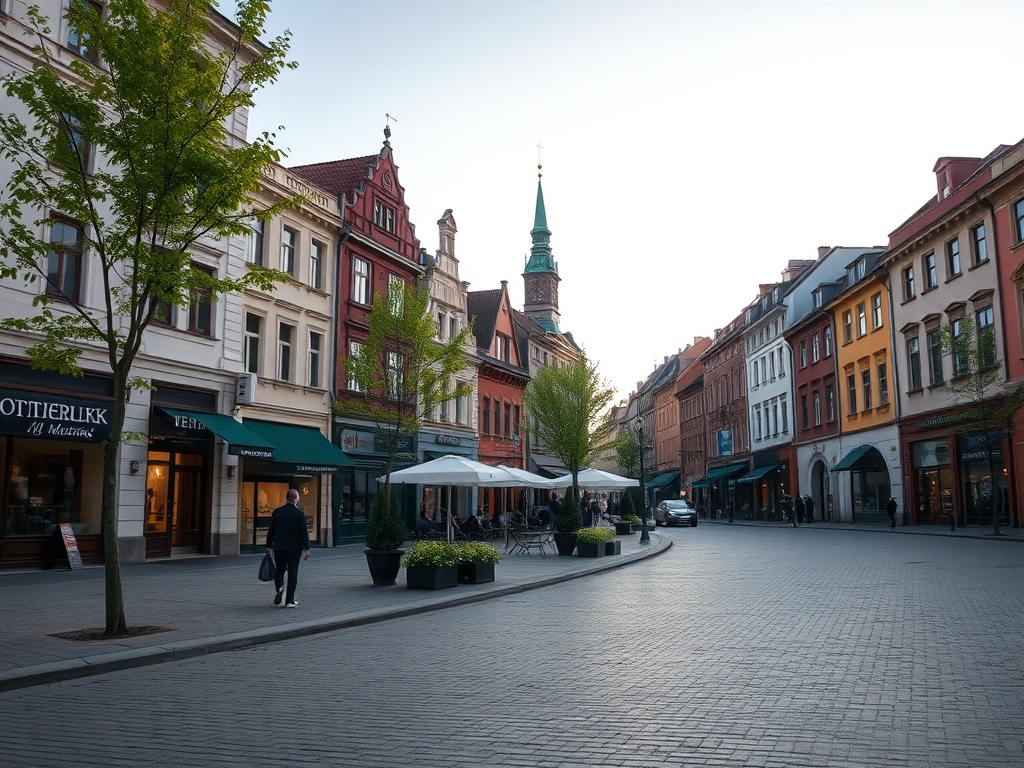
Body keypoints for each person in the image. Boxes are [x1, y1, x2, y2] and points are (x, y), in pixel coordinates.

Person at [265, 488, 310, 608]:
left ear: (286, 498)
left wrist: (268, 545)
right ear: (297, 498)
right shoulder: (299, 513)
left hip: (279, 546)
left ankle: (279, 588)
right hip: (295, 548)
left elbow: (272, 530)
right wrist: (307, 548)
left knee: (279, 569)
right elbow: (303, 532)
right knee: (292, 572)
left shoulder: (278, 512)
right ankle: (290, 600)